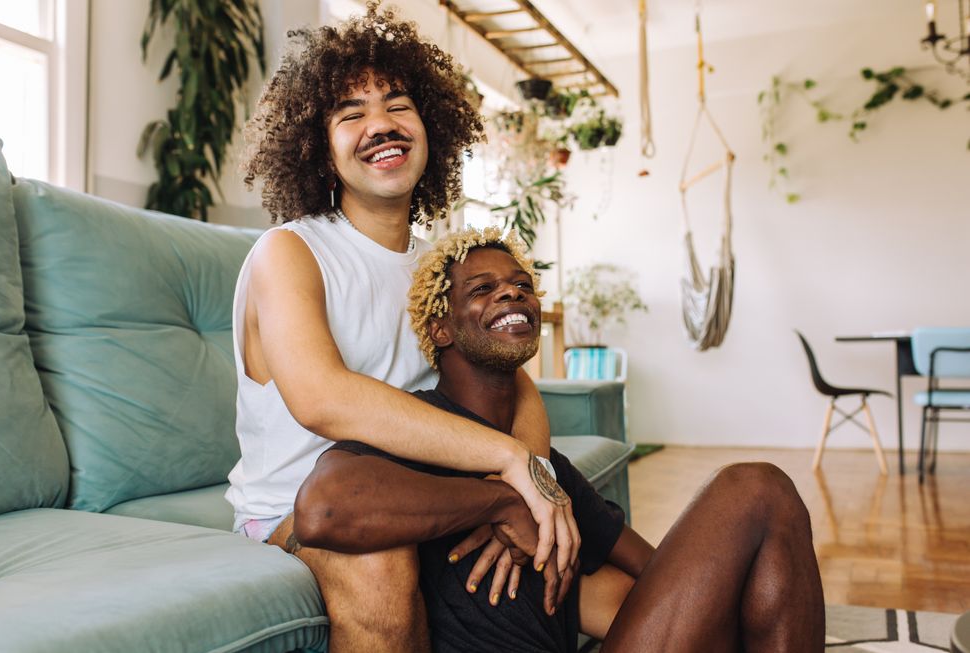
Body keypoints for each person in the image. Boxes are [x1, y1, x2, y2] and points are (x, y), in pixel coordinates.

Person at [292, 227, 827, 653]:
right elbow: (323, 511)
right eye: (483, 289)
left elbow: (659, 574)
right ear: (441, 330)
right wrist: (500, 502)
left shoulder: (545, 471)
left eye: (522, 284)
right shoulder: (422, 435)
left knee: (765, 502)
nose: (512, 292)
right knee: (756, 486)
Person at [228, 3, 578, 651]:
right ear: (318, 145)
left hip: (421, 491)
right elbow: (323, 398)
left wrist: (529, 476)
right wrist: (505, 460)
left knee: (593, 579)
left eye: (397, 104)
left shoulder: (437, 265)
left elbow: (513, 380)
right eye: (350, 113)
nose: (380, 125)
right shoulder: (289, 253)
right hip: (296, 509)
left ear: (431, 126)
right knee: (382, 565)